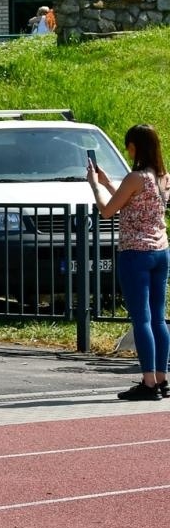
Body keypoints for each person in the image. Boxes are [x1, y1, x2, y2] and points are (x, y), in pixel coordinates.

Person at [89, 124, 169, 401]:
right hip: (160, 251)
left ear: (134, 147)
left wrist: (94, 185)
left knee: (141, 319)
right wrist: (108, 182)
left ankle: (148, 383)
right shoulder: (163, 177)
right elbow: (132, 202)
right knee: (158, 318)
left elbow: (108, 210)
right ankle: (162, 379)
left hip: (135, 253)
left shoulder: (135, 177)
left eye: (128, 146)